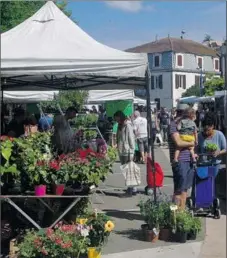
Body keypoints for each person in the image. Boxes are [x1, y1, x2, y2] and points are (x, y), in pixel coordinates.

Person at [169, 103, 196, 209]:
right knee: (179, 190)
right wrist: (192, 143)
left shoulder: (187, 124)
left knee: (184, 189)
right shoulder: (174, 124)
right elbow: (178, 143)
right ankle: (174, 215)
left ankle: (181, 212)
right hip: (179, 161)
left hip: (188, 160)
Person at [114, 111, 136, 196]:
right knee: (125, 171)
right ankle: (132, 188)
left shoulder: (127, 125)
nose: (116, 120)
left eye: (117, 118)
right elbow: (119, 138)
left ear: (120, 117)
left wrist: (132, 153)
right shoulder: (120, 126)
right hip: (122, 151)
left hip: (127, 151)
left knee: (128, 171)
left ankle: (130, 190)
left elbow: (131, 139)